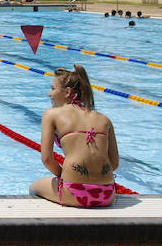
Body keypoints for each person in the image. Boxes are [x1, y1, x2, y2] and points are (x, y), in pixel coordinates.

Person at [29, 65, 119, 207]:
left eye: (53, 88)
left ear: (67, 92)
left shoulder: (51, 114)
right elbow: (114, 163)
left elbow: (47, 159)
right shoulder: (104, 119)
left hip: (73, 193)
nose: (49, 93)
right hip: (107, 194)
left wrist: (64, 175)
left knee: (34, 188)